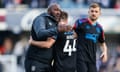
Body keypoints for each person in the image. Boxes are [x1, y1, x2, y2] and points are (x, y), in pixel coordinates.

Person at [24, 3, 61, 72]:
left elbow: (49, 43)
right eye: (55, 10)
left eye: (59, 10)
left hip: (48, 63)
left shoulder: (56, 23)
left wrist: (33, 42)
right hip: (36, 61)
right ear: (49, 11)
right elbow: (40, 33)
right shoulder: (41, 18)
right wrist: (57, 30)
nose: (58, 12)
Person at [73, 3, 108, 72]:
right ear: (88, 12)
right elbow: (72, 34)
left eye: (96, 11)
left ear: (99, 13)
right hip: (80, 57)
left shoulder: (100, 28)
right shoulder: (80, 22)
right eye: (92, 11)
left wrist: (105, 52)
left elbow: (102, 43)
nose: (94, 13)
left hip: (92, 59)